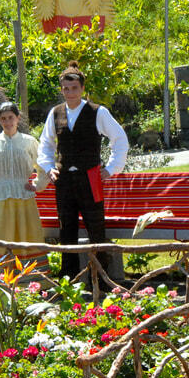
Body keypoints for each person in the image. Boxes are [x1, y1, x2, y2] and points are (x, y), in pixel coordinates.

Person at [38, 61, 129, 279]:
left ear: (82, 89)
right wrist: (50, 168)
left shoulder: (98, 112)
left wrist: (111, 168)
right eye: (66, 89)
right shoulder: (55, 113)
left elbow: (120, 140)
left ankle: (102, 278)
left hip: (91, 178)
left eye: (74, 88)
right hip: (64, 181)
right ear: (62, 90)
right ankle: (68, 278)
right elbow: (45, 144)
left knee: (96, 229)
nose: (70, 93)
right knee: (66, 229)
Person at [0, 102, 47, 260]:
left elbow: (43, 165)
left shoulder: (29, 141)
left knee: (26, 236)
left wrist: (37, 184)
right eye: (3, 118)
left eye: (11, 117)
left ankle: (30, 280)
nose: (8, 122)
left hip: (24, 196)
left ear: (18, 118)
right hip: (0, 196)